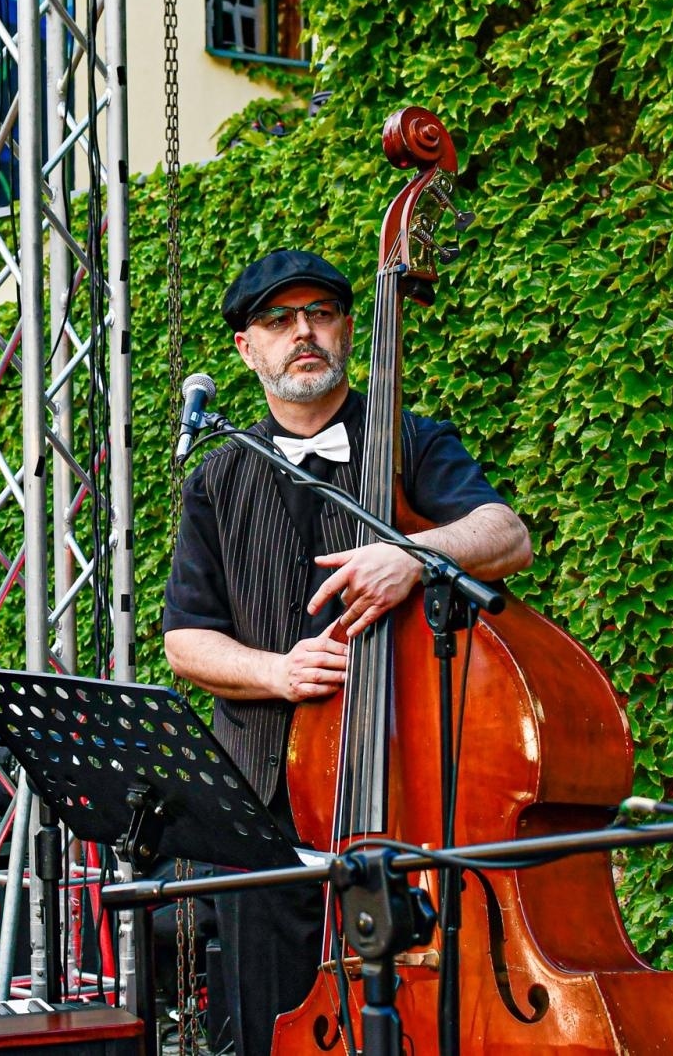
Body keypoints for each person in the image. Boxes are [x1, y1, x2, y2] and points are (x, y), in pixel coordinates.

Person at [161, 248, 534, 1055]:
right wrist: (277, 672)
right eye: (278, 319)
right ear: (246, 349)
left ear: (344, 329)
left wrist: (414, 554)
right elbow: (185, 640)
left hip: (405, 788)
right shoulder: (216, 477)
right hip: (262, 803)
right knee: (271, 1025)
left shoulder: (409, 438)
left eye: (320, 313)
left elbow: (506, 534)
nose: (303, 331)